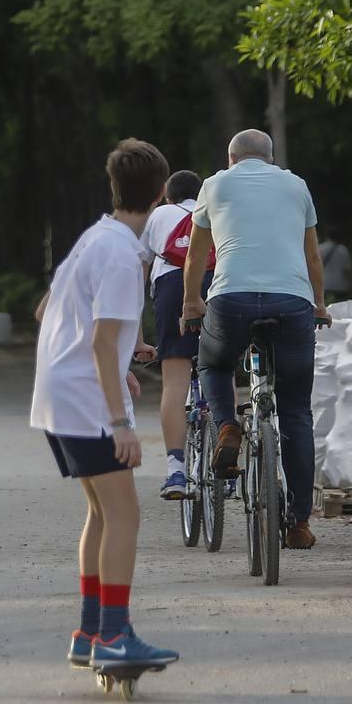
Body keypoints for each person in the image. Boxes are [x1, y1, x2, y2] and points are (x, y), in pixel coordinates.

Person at [31, 138, 179, 674]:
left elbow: (47, 309)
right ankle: (114, 636)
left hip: (59, 397)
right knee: (124, 514)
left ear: (115, 188)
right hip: (86, 403)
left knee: (100, 512)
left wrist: (120, 362)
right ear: (161, 195)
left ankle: (89, 630)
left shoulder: (95, 239)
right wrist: (120, 420)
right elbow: (98, 340)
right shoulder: (121, 255)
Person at [181, 129, 329, 550]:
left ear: (232, 158)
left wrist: (192, 303)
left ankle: (228, 425)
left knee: (214, 363)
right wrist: (319, 304)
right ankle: (299, 523)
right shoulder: (296, 185)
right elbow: (312, 256)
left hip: (231, 301)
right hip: (292, 303)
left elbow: (195, 256)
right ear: (270, 158)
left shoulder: (214, 185)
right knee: (296, 411)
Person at [137, 170, 215, 501]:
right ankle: (223, 459)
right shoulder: (216, 209)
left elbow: (138, 273)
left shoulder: (159, 215)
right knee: (218, 371)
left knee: (174, 380)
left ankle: (176, 469)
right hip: (217, 286)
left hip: (172, 288)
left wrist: (138, 333)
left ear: (169, 196)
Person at [318, 228, 352, 303]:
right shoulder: (343, 250)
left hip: (324, 285)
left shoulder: (320, 248)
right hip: (340, 286)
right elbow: (347, 270)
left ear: (326, 236)